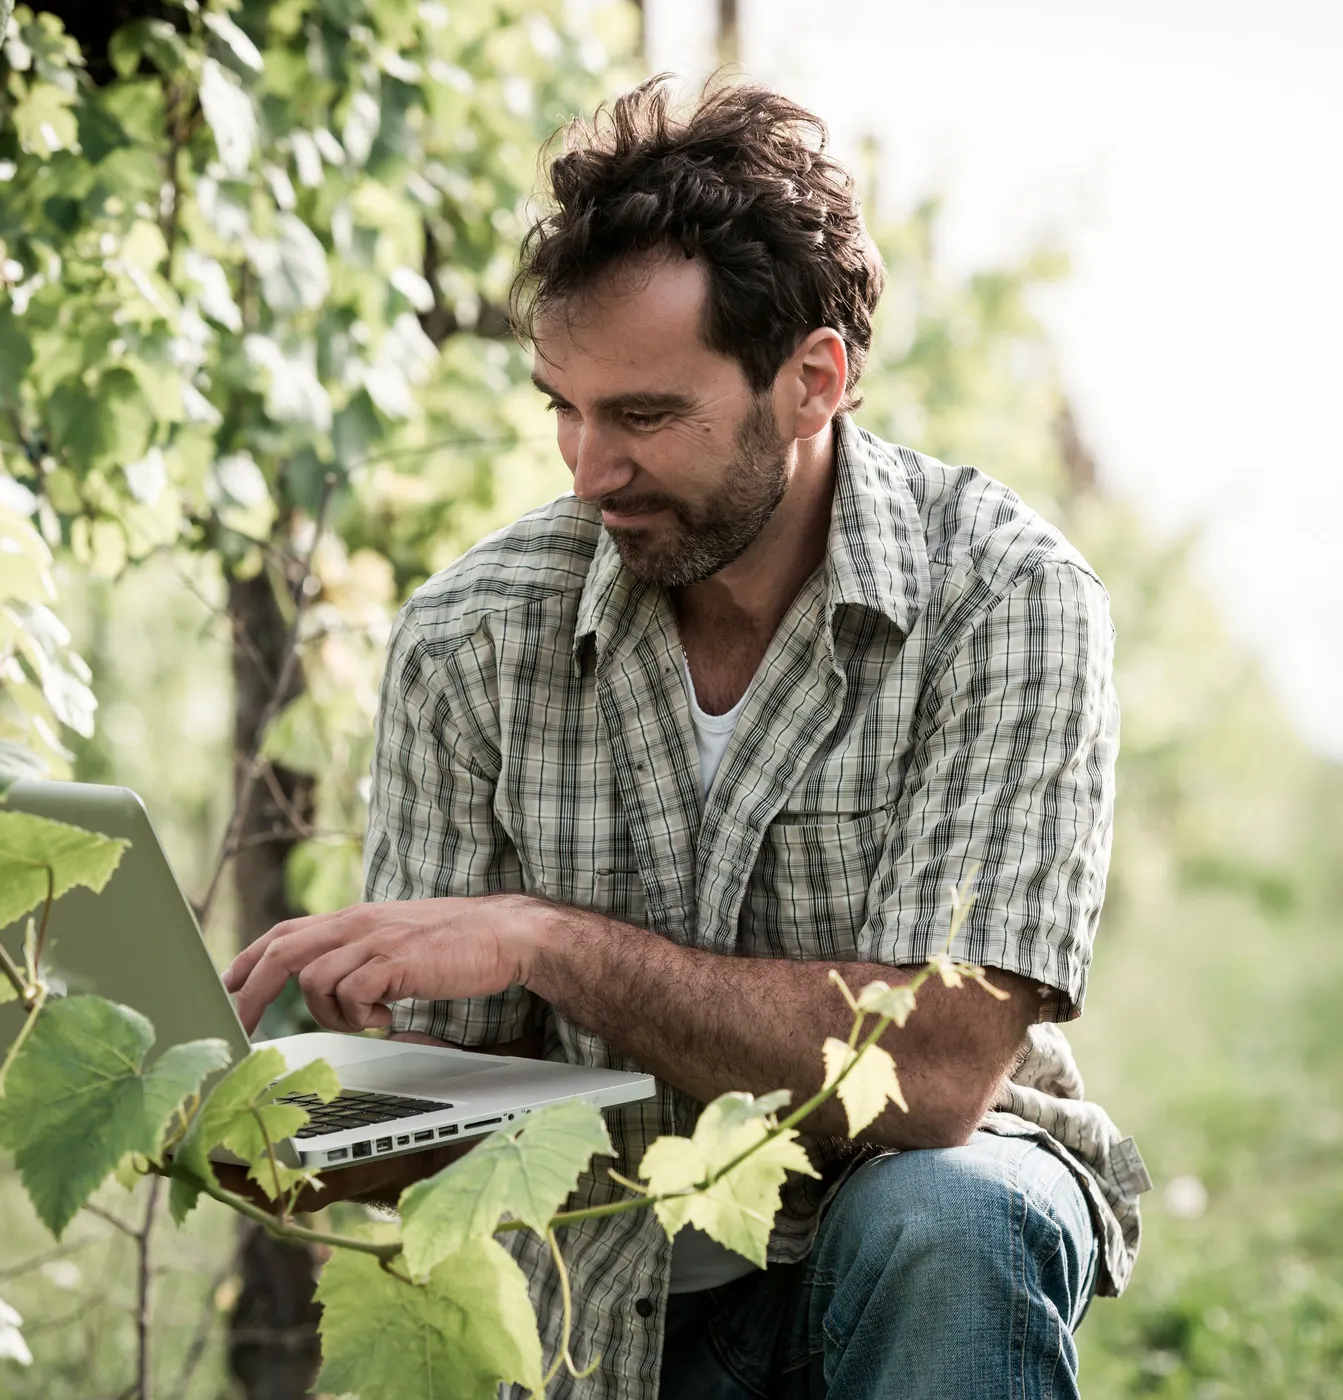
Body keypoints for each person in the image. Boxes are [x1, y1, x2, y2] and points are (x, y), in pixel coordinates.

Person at [218, 76, 1149, 1400]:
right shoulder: (471, 638)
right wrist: (269, 1121)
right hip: (596, 1294)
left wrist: (549, 942)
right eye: (565, 406)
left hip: (886, 1259)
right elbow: (469, 1103)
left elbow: (936, 1073)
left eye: (645, 416)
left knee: (951, 1217)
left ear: (812, 381)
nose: (588, 469)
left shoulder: (1002, 600)